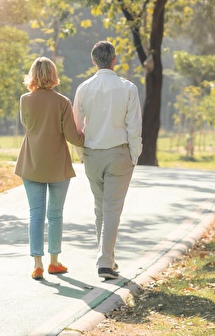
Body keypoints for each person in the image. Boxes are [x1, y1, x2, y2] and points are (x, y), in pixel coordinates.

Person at [73, 41, 142, 280]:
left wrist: (82, 154)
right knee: (112, 208)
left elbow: (77, 127)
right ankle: (104, 262)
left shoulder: (83, 88)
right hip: (118, 153)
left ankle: (107, 259)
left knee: (100, 208)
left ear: (93, 61)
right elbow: (134, 126)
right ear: (114, 60)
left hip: (92, 153)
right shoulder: (128, 88)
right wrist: (134, 154)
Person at [14, 57, 85, 280]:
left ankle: (37, 264)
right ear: (53, 75)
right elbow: (73, 137)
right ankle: (54, 262)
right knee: (55, 215)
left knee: (36, 215)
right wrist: (91, 135)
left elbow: (28, 127)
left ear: (33, 75)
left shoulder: (25, 100)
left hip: (31, 161)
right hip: (57, 165)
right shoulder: (63, 102)